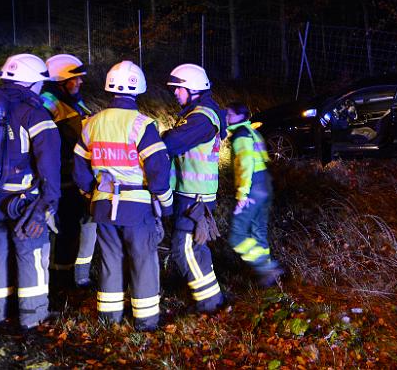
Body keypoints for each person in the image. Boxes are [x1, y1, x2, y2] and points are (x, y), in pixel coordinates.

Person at [0, 53, 61, 330]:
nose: (42, 89)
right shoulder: (34, 112)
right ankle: (33, 316)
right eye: (41, 83)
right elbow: (49, 162)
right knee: (32, 253)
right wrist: (49, 202)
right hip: (24, 200)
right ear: (31, 82)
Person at [72, 60, 172, 331]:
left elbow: (79, 168)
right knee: (142, 260)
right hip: (136, 208)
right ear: (138, 88)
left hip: (103, 206)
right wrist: (165, 203)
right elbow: (158, 170)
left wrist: (89, 194)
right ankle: (146, 320)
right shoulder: (142, 125)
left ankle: (109, 319)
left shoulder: (92, 123)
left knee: (109, 260)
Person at [161, 64, 224, 313]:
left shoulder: (200, 118)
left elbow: (171, 142)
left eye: (179, 88)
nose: (175, 93)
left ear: (193, 89)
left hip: (194, 197)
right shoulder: (198, 113)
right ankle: (212, 300)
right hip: (193, 194)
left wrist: (163, 136)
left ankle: (210, 303)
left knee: (183, 248)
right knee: (195, 248)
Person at [42, 54, 95, 287]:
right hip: (60, 178)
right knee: (62, 229)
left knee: (72, 227)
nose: (80, 82)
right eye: (76, 79)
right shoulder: (48, 104)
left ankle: (68, 276)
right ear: (60, 81)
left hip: (74, 177)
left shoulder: (73, 102)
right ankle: (58, 279)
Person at [225, 102, 283, 287]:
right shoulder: (252, 131)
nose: (226, 117)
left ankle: (268, 268)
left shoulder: (240, 135)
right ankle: (269, 277)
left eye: (228, 114)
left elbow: (246, 164)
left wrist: (242, 194)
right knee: (258, 231)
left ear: (238, 117)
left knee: (237, 236)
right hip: (265, 184)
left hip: (252, 188)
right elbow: (264, 159)